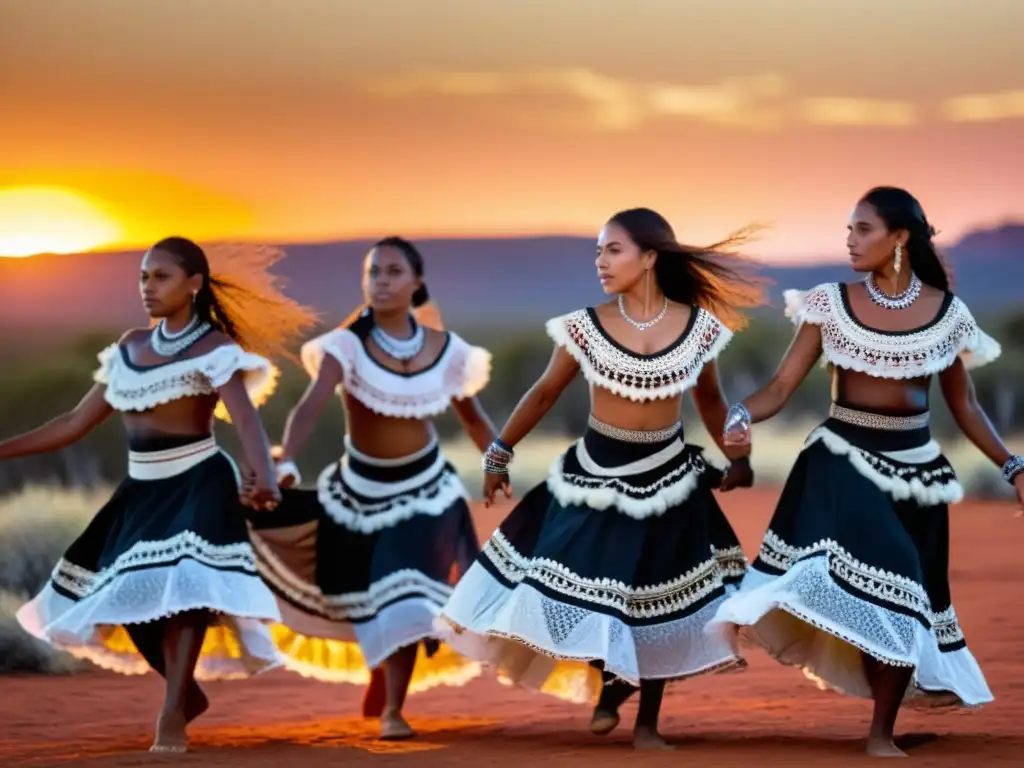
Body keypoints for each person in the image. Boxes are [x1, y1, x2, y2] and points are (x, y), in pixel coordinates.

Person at [434, 208, 767, 749]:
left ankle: (647, 725)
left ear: (650, 257)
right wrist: (498, 454)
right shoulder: (583, 327)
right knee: (584, 583)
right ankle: (611, 677)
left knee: (661, 593)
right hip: (593, 477)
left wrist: (740, 458)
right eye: (597, 251)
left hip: (672, 478)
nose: (601, 261)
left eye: (613, 249)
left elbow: (710, 399)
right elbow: (543, 393)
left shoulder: (699, 328)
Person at [707, 186, 1021, 758]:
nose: (849, 240)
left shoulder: (948, 314)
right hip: (841, 460)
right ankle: (879, 737)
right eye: (849, 229)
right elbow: (779, 387)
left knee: (912, 597)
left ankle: (882, 729)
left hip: (918, 473)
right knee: (896, 572)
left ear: (899, 238)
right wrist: (739, 414)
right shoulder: (829, 302)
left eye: (863, 229)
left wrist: (1012, 465)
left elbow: (966, 406)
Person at [5, 237, 317, 753]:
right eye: (143, 277)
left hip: (199, 479)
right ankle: (186, 693)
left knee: (186, 586)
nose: (148, 287)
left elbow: (244, 417)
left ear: (194, 283)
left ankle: (171, 712)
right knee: (126, 598)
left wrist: (262, 475)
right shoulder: (128, 349)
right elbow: (72, 423)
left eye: (161, 276)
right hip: (141, 489)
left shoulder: (214, 347)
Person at [245, 236, 498, 740]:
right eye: (373, 272)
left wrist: (498, 462)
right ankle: (381, 670)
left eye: (392, 272)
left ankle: (394, 711)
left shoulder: (448, 352)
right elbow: (311, 407)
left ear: (416, 283)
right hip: (357, 493)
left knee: (406, 594)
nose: (380, 281)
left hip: (429, 492)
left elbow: (473, 419)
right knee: (369, 594)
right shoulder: (345, 346)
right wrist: (286, 460)